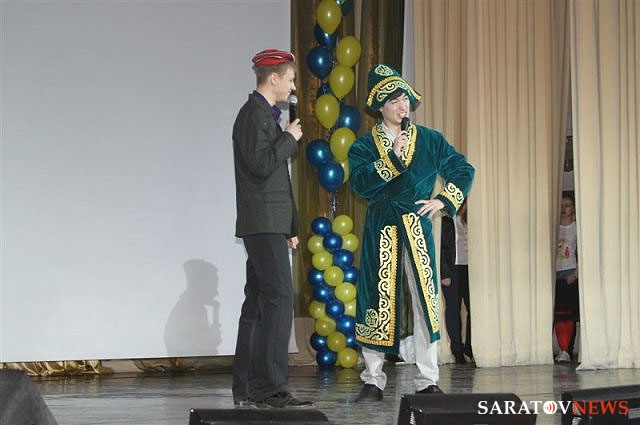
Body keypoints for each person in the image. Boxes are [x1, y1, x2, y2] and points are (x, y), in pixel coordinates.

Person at [348, 64, 475, 401]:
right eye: (393, 101)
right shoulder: (364, 146)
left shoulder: (430, 140)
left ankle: (427, 379)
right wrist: (392, 158)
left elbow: (463, 168)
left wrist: (444, 199)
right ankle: (373, 379)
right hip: (381, 226)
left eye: (404, 98)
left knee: (425, 301)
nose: (401, 105)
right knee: (376, 300)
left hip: (417, 225)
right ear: (380, 107)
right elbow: (359, 185)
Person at [231, 48, 311, 408]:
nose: (293, 88)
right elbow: (261, 165)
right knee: (278, 299)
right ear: (274, 78)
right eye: (290, 80)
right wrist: (289, 138)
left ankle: (248, 386)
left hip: (269, 222)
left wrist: (289, 225)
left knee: (260, 302)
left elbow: (277, 178)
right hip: (261, 222)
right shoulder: (253, 115)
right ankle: (269, 388)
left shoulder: (264, 116)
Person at [440, 199, 473, 364]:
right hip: (452, 270)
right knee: (453, 309)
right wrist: (444, 273)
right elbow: (441, 249)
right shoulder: (445, 221)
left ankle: (470, 348)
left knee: (472, 309)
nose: (462, 206)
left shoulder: (472, 220)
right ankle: (457, 349)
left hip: (470, 269)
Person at [553, 192, 579, 363]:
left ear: (573, 208)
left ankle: (566, 349)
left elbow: (583, 251)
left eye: (567, 205)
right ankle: (562, 348)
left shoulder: (576, 227)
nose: (564, 208)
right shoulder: (554, 226)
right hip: (554, 272)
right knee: (557, 313)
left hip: (569, 271)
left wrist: (575, 273)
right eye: (561, 205)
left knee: (568, 313)